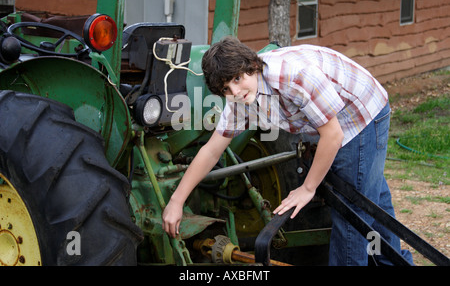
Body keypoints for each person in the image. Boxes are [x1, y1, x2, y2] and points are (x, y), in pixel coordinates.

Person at [162, 36, 413, 266]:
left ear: (252, 66)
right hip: (332, 122)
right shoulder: (240, 101)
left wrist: (307, 188)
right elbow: (211, 151)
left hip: (360, 114)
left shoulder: (293, 77)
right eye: (226, 88)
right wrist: (177, 201)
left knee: (351, 215)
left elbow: (334, 135)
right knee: (373, 205)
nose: (235, 92)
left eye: (237, 79)